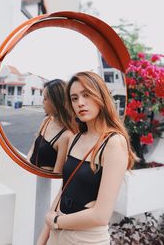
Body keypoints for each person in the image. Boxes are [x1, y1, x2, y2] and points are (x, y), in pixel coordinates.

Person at [37, 71, 137, 245]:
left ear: (101, 96)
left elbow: (101, 215)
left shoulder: (114, 143)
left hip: (85, 239)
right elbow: (64, 190)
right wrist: (42, 239)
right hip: (57, 236)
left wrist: (56, 222)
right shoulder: (76, 138)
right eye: (74, 98)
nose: (80, 103)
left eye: (86, 95)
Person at [27, 79, 74, 173]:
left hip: (44, 183)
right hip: (29, 174)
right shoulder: (46, 120)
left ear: (56, 102)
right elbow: (32, 149)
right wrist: (26, 168)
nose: (42, 102)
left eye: (45, 98)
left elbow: (56, 174)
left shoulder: (66, 136)